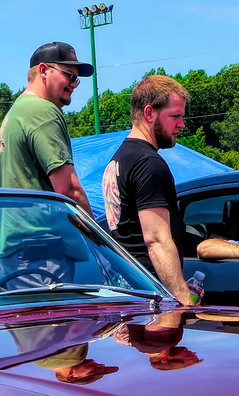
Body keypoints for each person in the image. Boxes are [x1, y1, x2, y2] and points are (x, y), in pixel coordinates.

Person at [0, 41, 93, 289]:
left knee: (30, 315)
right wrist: (100, 240)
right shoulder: (42, 111)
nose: (73, 84)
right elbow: (69, 189)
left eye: (77, 79)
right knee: (52, 316)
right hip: (42, 250)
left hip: (19, 250)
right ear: (43, 70)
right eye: (69, 75)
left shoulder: (17, 111)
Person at [101, 74, 192, 303]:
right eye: (175, 116)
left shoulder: (119, 159)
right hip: (151, 296)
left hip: (127, 290)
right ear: (149, 113)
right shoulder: (148, 164)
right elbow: (157, 240)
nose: (181, 124)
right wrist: (181, 299)